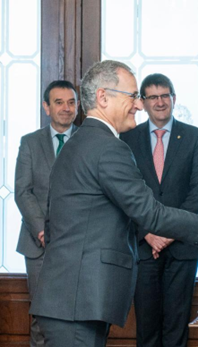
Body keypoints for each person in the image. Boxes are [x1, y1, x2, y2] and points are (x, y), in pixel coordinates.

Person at [29, 60, 198, 347]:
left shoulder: (82, 141)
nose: (138, 105)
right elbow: (149, 212)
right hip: (77, 300)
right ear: (103, 97)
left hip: (74, 297)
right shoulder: (107, 147)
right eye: (133, 96)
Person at [121, 73, 198, 347]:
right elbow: (123, 194)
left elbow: (197, 193)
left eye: (164, 95)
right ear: (143, 103)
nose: (160, 102)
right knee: (146, 328)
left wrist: (169, 232)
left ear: (173, 98)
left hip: (182, 247)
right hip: (143, 247)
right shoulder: (127, 138)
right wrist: (148, 234)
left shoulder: (194, 137)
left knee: (176, 327)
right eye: (152, 97)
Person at [15, 80, 79, 347]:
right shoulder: (30, 143)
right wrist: (43, 230)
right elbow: (23, 191)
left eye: (72, 102)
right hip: (38, 246)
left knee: (76, 318)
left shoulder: (90, 141)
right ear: (46, 107)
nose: (66, 108)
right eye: (59, 102)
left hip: (79, 245)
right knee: (42, 318)